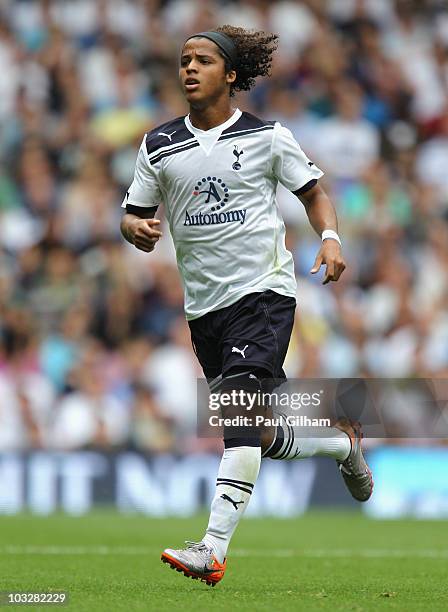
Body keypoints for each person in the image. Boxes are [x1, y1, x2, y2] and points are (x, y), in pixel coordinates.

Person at [120, 25, 373, 587]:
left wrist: (331, 238)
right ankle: (340, 444)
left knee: (237, 416)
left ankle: (212, 549)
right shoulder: (158, 146)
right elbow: (132, 212)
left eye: (203, 61)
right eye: (183, 60)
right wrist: (134, 226)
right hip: (204, 309)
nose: (189, 68)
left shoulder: (268, 136)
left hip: (263, 294)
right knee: (252, 432)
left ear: (230, 75)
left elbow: (314, 194)